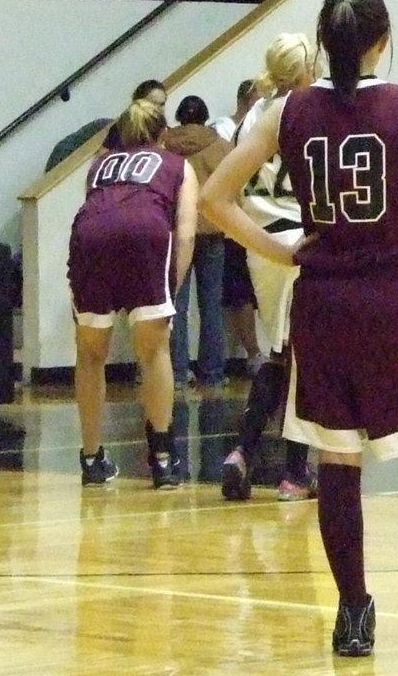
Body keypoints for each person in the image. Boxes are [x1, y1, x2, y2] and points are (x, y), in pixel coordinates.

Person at [200, 0, 398, 659]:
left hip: (322, 302)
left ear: (323, 43)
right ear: (382, 40)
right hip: (393, 301)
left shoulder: (284, 112)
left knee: (337, 458)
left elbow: (215, 197)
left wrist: (279, 245)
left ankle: (352, 615)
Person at [68, 97, 196, 488]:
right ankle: (161, 458)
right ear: (164, 133)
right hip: (144, 237)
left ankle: (91, 458)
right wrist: (170, 287)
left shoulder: (98, 165)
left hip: (89, 240)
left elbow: (94, 209)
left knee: (90, 355)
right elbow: (187, 231)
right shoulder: (177, 164)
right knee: (153, 351)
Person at [219, 35, 321, 502]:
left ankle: (242, 451)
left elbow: (233, 189)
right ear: (303, 71)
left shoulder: (252, 117)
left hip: (259, 240)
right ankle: (296, 472)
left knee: (277, 350)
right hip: (298, 236)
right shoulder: (312, 109)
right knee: (305, 357)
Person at [162, 95, 230, 389]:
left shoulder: (165, 146)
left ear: (179, 116)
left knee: (176, 303)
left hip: (177, 231)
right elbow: (233, 187)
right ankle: (212, 372)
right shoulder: (220, 146)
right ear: (205, 116)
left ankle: (177, 373)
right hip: (214, 231)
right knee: (211, 304)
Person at [211, 79, 264, 376]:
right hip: (235, 222)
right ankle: (253, 351)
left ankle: (277, 351)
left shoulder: (263, 127)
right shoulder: (222, 129)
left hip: (259, 220)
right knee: (241, 293)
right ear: (245, 98)